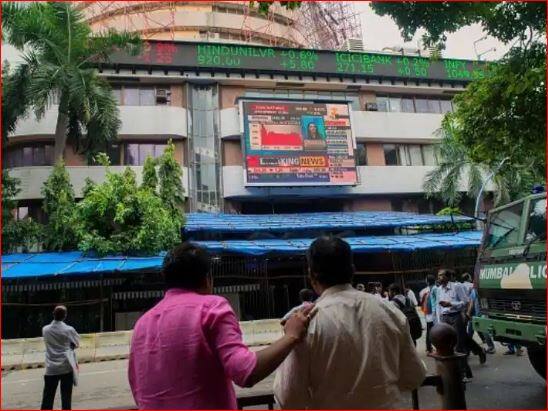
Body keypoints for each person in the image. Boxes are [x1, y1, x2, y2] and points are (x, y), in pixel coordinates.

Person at [128, 242, 315, 410]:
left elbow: (138, 390)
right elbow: (246, 372)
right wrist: (291, 336)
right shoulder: (211, 308)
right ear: (207, 279)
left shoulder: (142, 324)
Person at [274, 237, 426, 409]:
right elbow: (414, 376)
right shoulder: (389, 311)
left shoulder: (302, 324)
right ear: (352, 271)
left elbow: (289, 399)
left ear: (311, 275)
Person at [437, 269, 485, 379]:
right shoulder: (439, 289)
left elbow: (465, 302)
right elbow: (438, 306)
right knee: (453, 343)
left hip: (456, 317)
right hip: (445, 318)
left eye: (441, 275)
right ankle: (477, 352)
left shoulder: (457, 287)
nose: (439, 278)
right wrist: (439, 321)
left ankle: (463, 373)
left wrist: (451, 304)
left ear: (447, 277)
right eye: (438, 276)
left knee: (459, 345)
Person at [41, 306, 80, 410]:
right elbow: (76, 343)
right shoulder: (69, 330)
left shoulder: (45, 329)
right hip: (66, 368)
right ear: (65, 316)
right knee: (66, 398)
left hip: (51, 369)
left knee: (47, 399)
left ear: (53, 314)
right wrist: (70, 346)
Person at [467, 287, 495, 354]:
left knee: (481, 331)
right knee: (471, 331)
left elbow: (471, 303)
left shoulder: (475, 290)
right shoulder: (478, 290)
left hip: (480, 313)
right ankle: (467, 347)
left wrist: (468, 312)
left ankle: (491, 347)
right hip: (479, 313)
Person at [419, 275, 436, 353]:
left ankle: (429, 347)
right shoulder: (437, 289)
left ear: (427, 281)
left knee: (429, 331)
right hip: (436, 314)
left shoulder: (423, 291)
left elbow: (420, 302)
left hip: (428, 314)